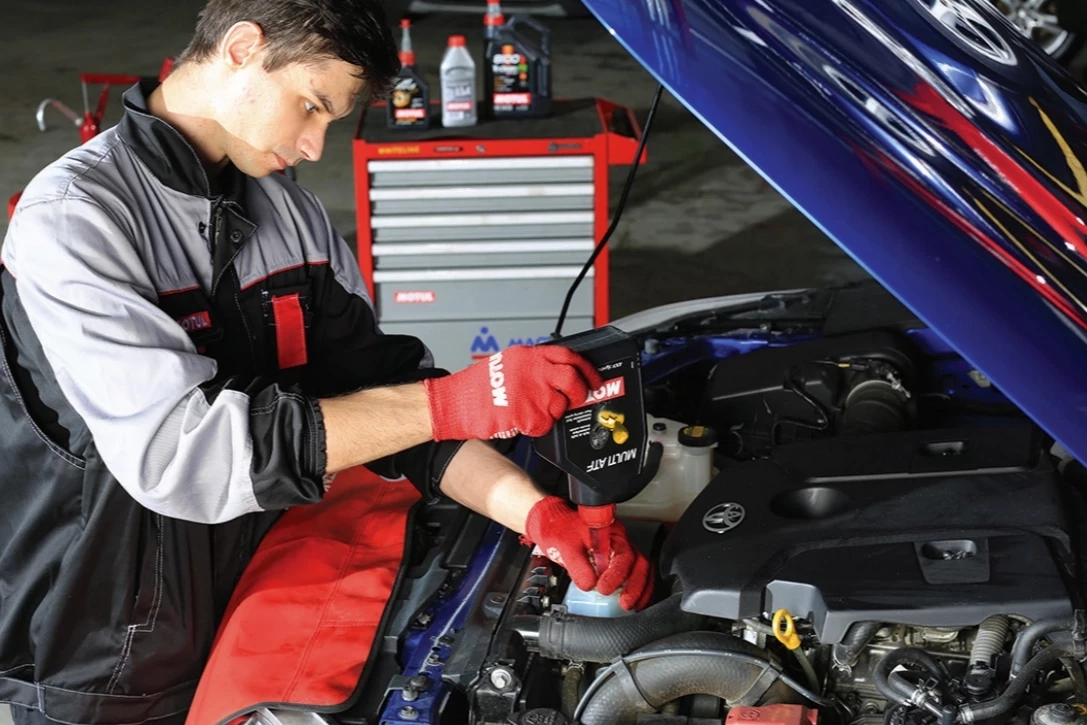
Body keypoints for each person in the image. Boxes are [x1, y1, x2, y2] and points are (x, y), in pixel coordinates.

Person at [0, 1, 652, 722]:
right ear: (242, 49)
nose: (314, 146)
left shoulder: (290, 217)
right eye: (311, 106)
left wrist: (538, 515)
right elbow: (185, 456)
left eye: (330, 120)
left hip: (249, 608)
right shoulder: (77, 218)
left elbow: (391, 403)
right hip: (98, 658)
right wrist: (460, 399)